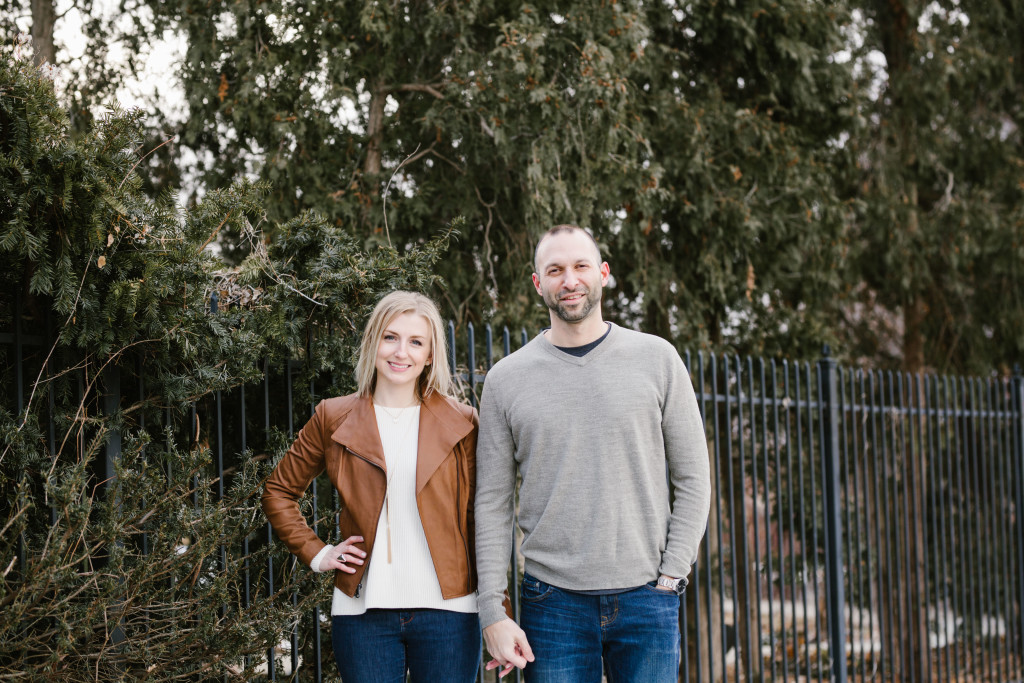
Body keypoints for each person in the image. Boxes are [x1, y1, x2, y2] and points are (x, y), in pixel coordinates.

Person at [474, 225, 712, 682]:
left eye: (581, 266)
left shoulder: (657, 358)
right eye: (555, 270)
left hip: (648, 597)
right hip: (552, 603)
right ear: (537, 282)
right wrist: (492, 609)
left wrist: (673, 573)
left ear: (602, 272)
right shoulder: (506, 379)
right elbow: (491, 502)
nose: (570, 280)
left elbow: (693, 477)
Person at [262, 291, 481, 682]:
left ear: (430, 354)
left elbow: (482, 517)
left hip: (450, 613)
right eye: (390, 337)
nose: (401, 352)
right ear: (373, 342)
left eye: (416, 341)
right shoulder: (333, 416)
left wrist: (502, 615)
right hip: (362, 614)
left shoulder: (462, 422)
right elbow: (278, 490)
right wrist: (317, 552)